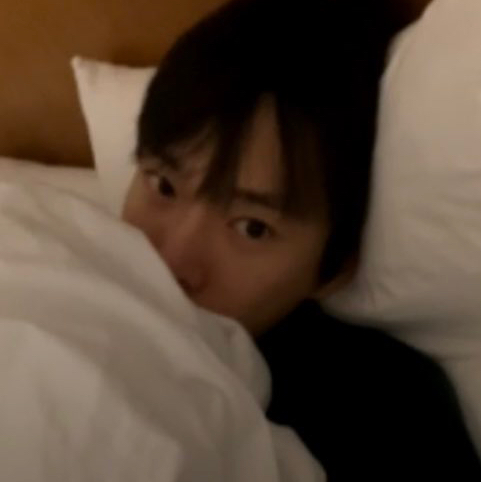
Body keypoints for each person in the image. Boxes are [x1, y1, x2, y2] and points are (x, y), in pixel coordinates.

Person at [122, 0, 481, 479]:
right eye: (163, 184)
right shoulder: (58, 260)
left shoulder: (385, 412)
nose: (171, 262)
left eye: (252, 227)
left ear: (335, 269)